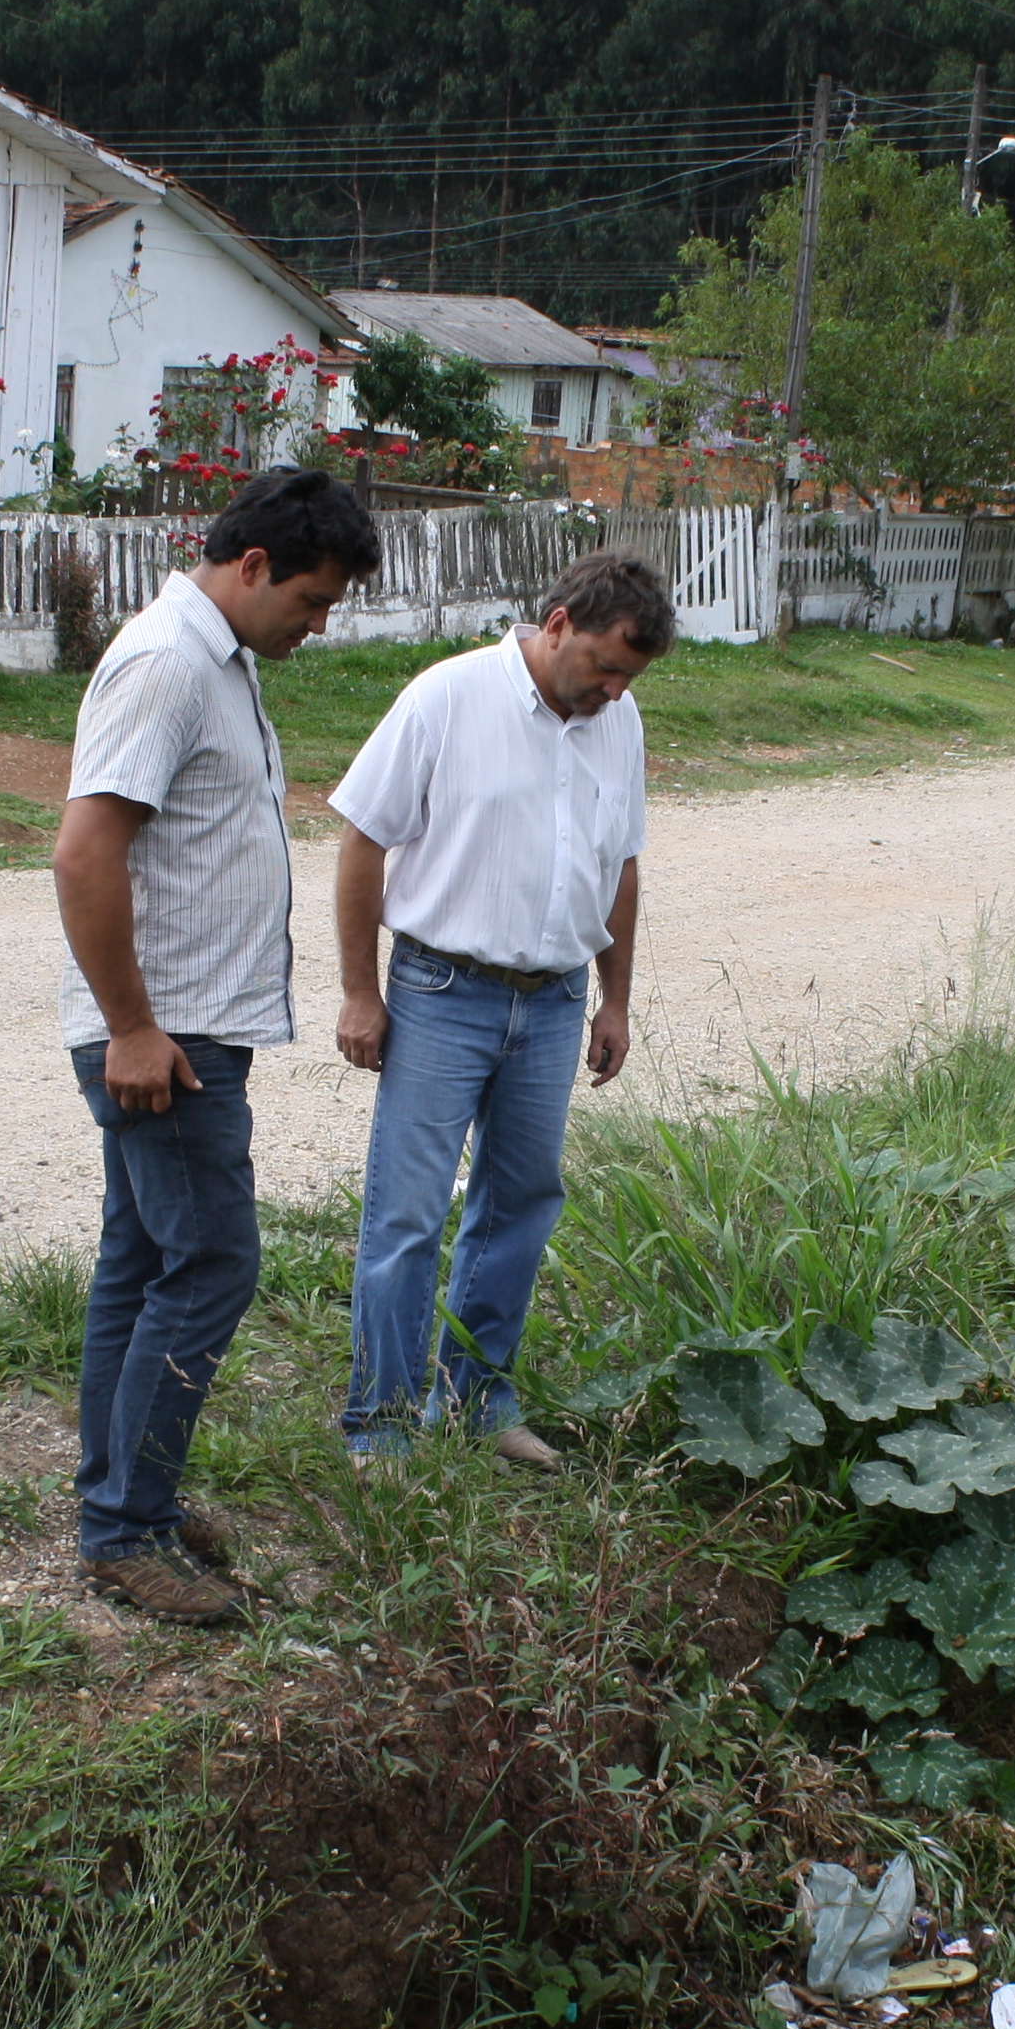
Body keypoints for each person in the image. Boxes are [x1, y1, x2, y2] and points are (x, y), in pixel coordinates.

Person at [54, 467, 384, 1624]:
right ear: (253, 566)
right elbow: (85, 856)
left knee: (142, 1268)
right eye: (312, 599)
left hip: (185, 1030)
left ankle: (126, 1494)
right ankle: (123, 1532)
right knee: (211, 1268)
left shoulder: (218, 658)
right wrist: (133, 1028)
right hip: (167, 1039)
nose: (318, 623)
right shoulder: (167, 664)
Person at [331, 552, 667, 1463]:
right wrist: (362, 992)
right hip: (441, 994)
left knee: (518, 1205)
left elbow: (621, 863)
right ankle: (383, 1428)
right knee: (406, 1217)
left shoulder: (619, 721)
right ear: (558, 623)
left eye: (629, 678)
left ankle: (475, 1401)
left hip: (555, 1002)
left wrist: (615, 999)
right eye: (605, 666)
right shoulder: (447, 697)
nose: (612, 690)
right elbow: (363, 838)